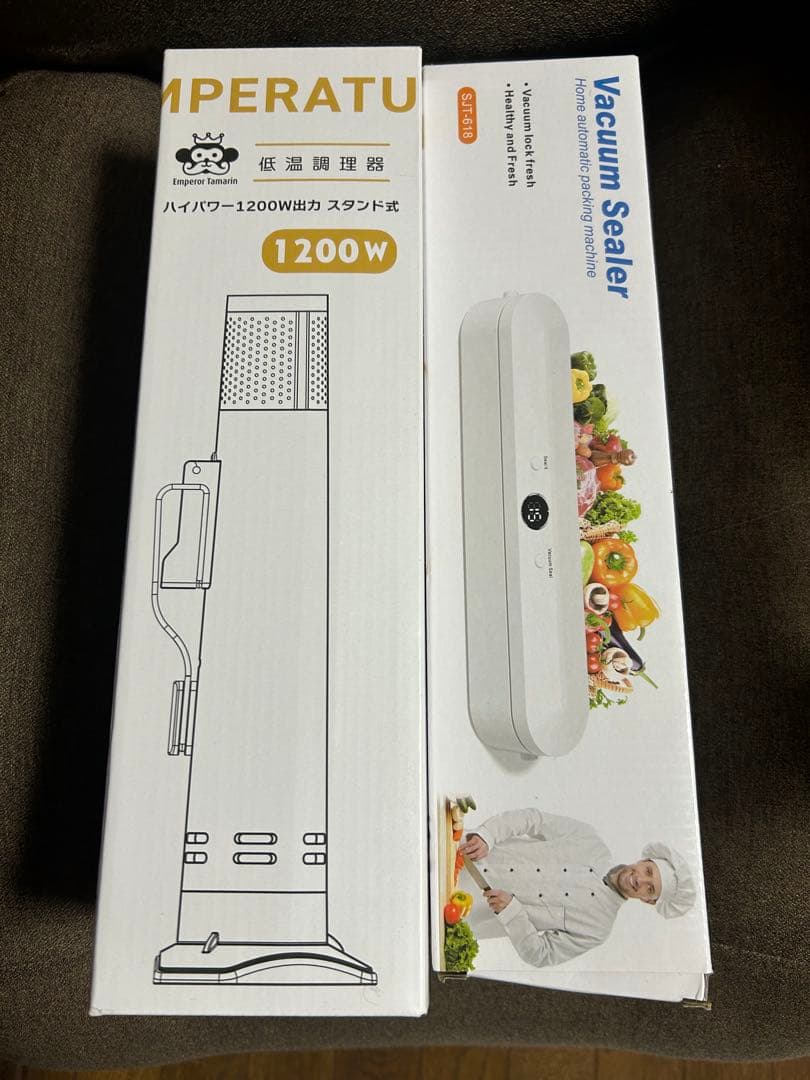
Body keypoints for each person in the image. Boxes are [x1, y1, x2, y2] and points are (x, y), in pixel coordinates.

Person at [459, 806, 696, 968]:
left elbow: (540, 955)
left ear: (648, 900)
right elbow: (534, 820)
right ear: (644, 860)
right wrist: (488, 835)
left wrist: (513, 913)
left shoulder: (597, 928)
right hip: (464, 851)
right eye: (648, 871)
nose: (641, 880)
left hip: (464, 911)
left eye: (650, 888)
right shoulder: (589, 840)